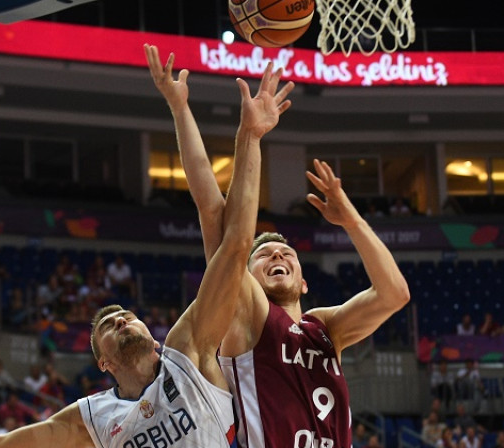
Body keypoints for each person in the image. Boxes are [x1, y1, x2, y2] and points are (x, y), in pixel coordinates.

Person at [0, 55, 291, 448]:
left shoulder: (189, 350)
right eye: (108, 325)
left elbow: (233, 247)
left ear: (154, 338)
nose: (120, 317)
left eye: (126, 315)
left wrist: (248, 137)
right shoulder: (93, 420)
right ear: (103, 361)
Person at [146, 43, 409, 448]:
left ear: (304, 283)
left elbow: (393, 294)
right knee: (224, 227)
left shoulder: (325, 329)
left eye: (287, 253)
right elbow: (212, 211)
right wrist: (199, 116)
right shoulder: (247, 315)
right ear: (243, 275)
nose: (278, 255)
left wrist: (350, 219)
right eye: (263, 255)